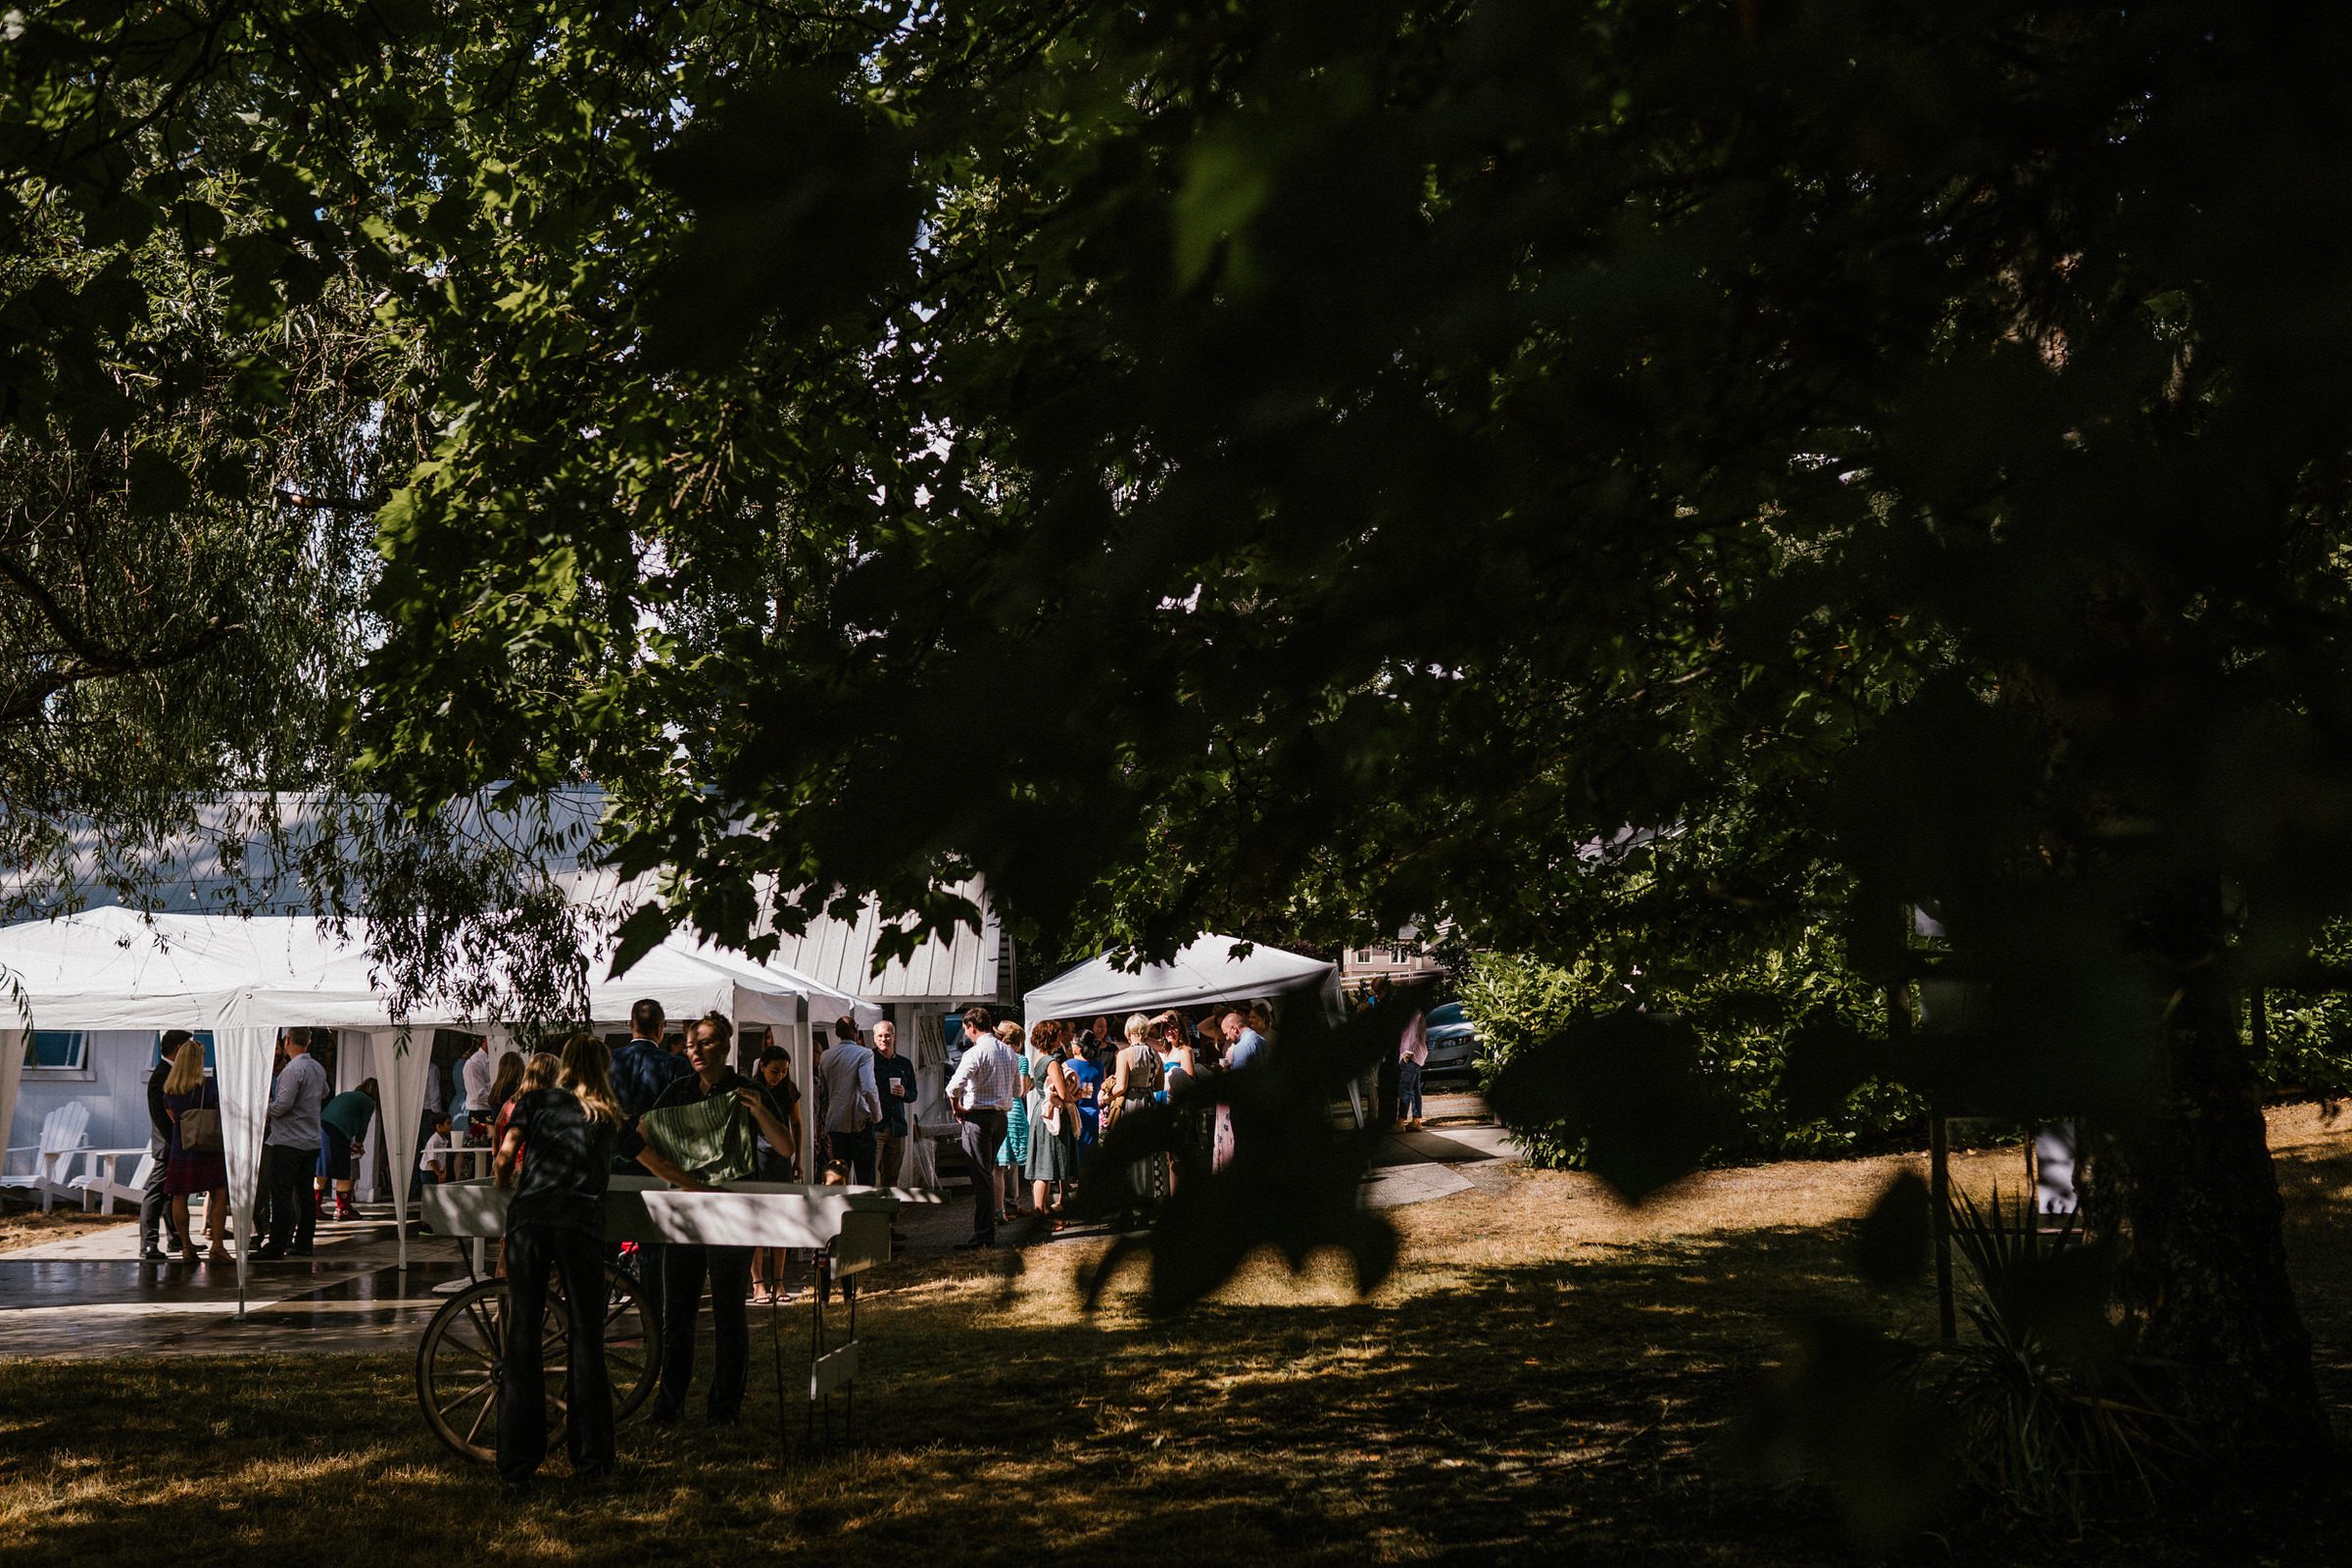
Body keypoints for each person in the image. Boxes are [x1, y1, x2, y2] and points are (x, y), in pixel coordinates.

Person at [495, 1033, 701, 1488]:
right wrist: (694, 1185)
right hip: (580, 1224)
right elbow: (655, 1164)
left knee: (522, 1338)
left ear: (566, 1065)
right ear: (603, 1070)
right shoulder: (607, 1115)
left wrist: (504, 1183)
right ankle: (591, 1460)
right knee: (586, 1339)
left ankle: (516, 1462)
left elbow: (506, 1155)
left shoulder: (536, 1101)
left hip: (529, 1221)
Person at [643, 1013, 797, 1426]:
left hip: (732, 1211)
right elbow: (643, 1135)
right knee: (677, 1314)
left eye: (705, 1043)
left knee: (729, 1310)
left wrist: (761, 1111)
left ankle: (724, 1408)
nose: (695, 1050)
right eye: (691, 1044)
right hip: (687, 1212)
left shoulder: (747, 1090)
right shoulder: (678, 1091)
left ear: (726, 1046)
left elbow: (785, 1146)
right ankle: (668, 1406)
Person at [608, 998, 688, 1323]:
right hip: (656, 1165)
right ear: (660, 1029)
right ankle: (654, 1322)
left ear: (630, 1026)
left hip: (613, 1164)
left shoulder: (610, 1062)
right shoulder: (675, 1065)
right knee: (654, 1251)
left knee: (608, 1244)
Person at [945, 1004, 1018, 1248]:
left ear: (972, 1027)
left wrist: (956, 1107)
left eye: (966, 1030)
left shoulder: (975, 1053)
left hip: (978, 1118)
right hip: (1001, 1118)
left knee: (981, 1177)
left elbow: (953, 1086)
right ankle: (985, 1231)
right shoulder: (1008, 1052)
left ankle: (984, 1235)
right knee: (986, 1172)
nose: (966, 1034)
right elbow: (1017, 1090)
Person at [255, 1028, 329, 1259]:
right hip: (311, 1138)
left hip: (288, 1140)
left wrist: (263, 1107)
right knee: (306, 1194)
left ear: (287, 1041)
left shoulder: (292, 1070)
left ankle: (277, 1243)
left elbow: (283, 1105)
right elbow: (325, 1092)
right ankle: (304, 1242)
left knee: (282, 1194)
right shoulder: (318, 1068)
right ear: (308, 1041)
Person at [161, 1035, 229, 1262]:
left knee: (179, 1196)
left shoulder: (169, 1089)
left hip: (182, 1146)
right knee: (218, 1193)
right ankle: (217, 1246)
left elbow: (174, 1119)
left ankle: (186, 1247)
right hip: (208, 1145)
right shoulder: (209, 1086)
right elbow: (221, 1111)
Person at [750, 1045, 803, 1304]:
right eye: (774, 1071)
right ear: (762, 1066)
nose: (779, 1076)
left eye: (783, 1071)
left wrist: (799, 1158)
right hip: (755, 1160)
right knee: (757, 1221)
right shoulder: (751, 1090)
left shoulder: (788, 1089)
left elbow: (797, 1123)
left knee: (780, 1220)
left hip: (781, 1159)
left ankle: (779, 1281)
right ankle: (758, 1282)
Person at [1106, 1013, 1165, 1217]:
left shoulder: (1124, 1054)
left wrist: (1106, 1094)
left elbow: (1121, 1086)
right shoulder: (1155, 1054)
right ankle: (1149, 1200)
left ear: (1128, 1032)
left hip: (1131, 1104)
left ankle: (1127, 1207)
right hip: (1149, 1103)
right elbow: (1160, 1085)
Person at [138, 1033, 188, 1260]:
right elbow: (159, 1115)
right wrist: (174, 1140)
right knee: (156, 1191)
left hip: (173, 1142)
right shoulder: (162, 1075)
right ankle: (148, 1242)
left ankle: (175, 1237)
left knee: (173, 1191)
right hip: (167, 1143)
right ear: (178, 1049)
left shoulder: (170, 1073)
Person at [1024, 1020, 1079, 1228]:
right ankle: (1040, 1215)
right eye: (1057, 1035)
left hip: (1041, 1109)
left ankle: (1044, 1211)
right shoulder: (1052, 1062)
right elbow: (1063, 1093)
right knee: (1045, 1166)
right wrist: (1076, 1095)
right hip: (1051, 1113)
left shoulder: (1039, 1058)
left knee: (1043, 1163)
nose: (1060, 1038)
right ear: (1052, 1038)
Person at [817, 1016, 881, 1185]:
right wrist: (876, 1116)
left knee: (838, 1175)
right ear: (856, 1030)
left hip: (835, 1123)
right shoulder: (864, 1054)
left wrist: (825, 1121)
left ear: (837, 1033)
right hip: (858, 1122)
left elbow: (823, 1092)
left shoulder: (826, 1056)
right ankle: (865, 1209)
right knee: (865, 1176)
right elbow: (868, 1088)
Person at [318, 1078, 379, 1222]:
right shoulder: (368, 1102)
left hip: (320, 1128)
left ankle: (315, 1207)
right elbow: (363, 1126)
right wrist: (358, 1143)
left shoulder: (346, 1095)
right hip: (338, 1133)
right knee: (344, 1173)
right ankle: (343, 1209)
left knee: (321, 1170)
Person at [993, 1020, 1031, 1220]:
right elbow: (1021, 1091)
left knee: (999, 1162)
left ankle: (1000, 1208)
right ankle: (1012, 1203)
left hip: (999, 1108)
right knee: (1013, 1162)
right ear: (1018, 1042)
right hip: (1014, 1110)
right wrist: (1030, 1086)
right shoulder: (1020, 1059)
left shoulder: (996, 1056)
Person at [871, 1021, 915, 1185]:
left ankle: (890, 1209)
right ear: (874, 1038)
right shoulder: (868, 1061)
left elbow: (913, 1094)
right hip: (875, 1126)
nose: (884, 1039)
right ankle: (873, 1209)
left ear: (894, 1037)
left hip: (897, 1127)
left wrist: (905, 1093)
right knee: (871, 1175)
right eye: (880, 1036)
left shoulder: (904, 1064)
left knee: (891, 1177)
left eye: (888, 1035)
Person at [1061, 1022, 1103, 1168]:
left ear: (1078, 1047)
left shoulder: (1068, 1064)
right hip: (1093, 1113)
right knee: (1090, 1156)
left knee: (1074, 1155)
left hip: (1075, 1113)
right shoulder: (1099, 1065)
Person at [460, 1035, 498, 1141]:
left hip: (492, 1110)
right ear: (484, 1040)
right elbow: (478, 1095)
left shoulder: (494, 1059)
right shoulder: (474, 1063)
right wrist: (499, 1097)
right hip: (480, 1112)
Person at [1397, 1006, 1429, 1131]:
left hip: (1411, 1056)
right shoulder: (1415, 1011)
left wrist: (1407, 1054)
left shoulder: (1413, 1012)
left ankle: (1400, 1122)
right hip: (1416, 1056)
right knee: (1415, 1088)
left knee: (1405, 1088)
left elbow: (1412, 1034)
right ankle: (1416, 1120)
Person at [421, 1110, 454, 1184]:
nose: (450, 1126)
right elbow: (432, 1160)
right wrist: (439, 1174)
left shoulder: (444, 1139)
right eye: (448, 1123)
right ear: (439, 1126)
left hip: (438, 1171)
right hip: (429, 1172)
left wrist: (444, 1172)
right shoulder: (434, 1141)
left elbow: (443, 1157)